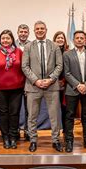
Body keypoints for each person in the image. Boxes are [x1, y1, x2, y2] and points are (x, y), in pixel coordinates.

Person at [22, 21, 63, 152]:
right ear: (34, 31)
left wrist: (50, 80)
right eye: (37, 29)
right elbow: (25, 66)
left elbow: (59, 65)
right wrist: (36, 80)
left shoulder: (54, 46)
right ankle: (33, 140)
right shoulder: (28, 46)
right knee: (32, 116)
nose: (40, 30)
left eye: (42, 28)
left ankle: (56, 140)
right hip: (34, 86)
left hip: (52, 86)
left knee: (54, 116)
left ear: (46, 30)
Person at [63, 31, 86, 152]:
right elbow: (66, 73)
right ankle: (69, 141)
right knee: (69, 116)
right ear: (73, 40)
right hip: (72, 89)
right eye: (77, 38)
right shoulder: (67, 55)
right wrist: (78, 85)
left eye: (81, 38)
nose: (79, 40)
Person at [0, 29, 25, 150]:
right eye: (3, 38)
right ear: (0, 40)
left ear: (12, 40)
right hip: (0, 88)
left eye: (8, 38)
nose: (5, 40)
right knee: (3, 114)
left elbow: (23, 70)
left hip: (17, 88)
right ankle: (5, 138)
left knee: (14, 114)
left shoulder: (19, 52)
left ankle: (13, 137)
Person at [53, 31, 69, 138]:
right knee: (54, 109)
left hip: (66, 85)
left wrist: (63, 80)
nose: (60, 40)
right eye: (58, 38)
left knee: (65, 109)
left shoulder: (68, 52)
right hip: (53, 84)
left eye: (62, 38)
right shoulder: (51, 52)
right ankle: (56, 132)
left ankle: (66, 132)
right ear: (54, 40)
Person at [16, 24, 31, 141]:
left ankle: (28, 131)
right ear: (17, 32)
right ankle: (15, 131)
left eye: (25, 32)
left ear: (28, 33)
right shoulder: (12, 45)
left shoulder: (32, 45)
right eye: (21, 31)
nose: (23, 33)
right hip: (15, 81)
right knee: (15, 109)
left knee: (29, 109)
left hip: (29, 82)